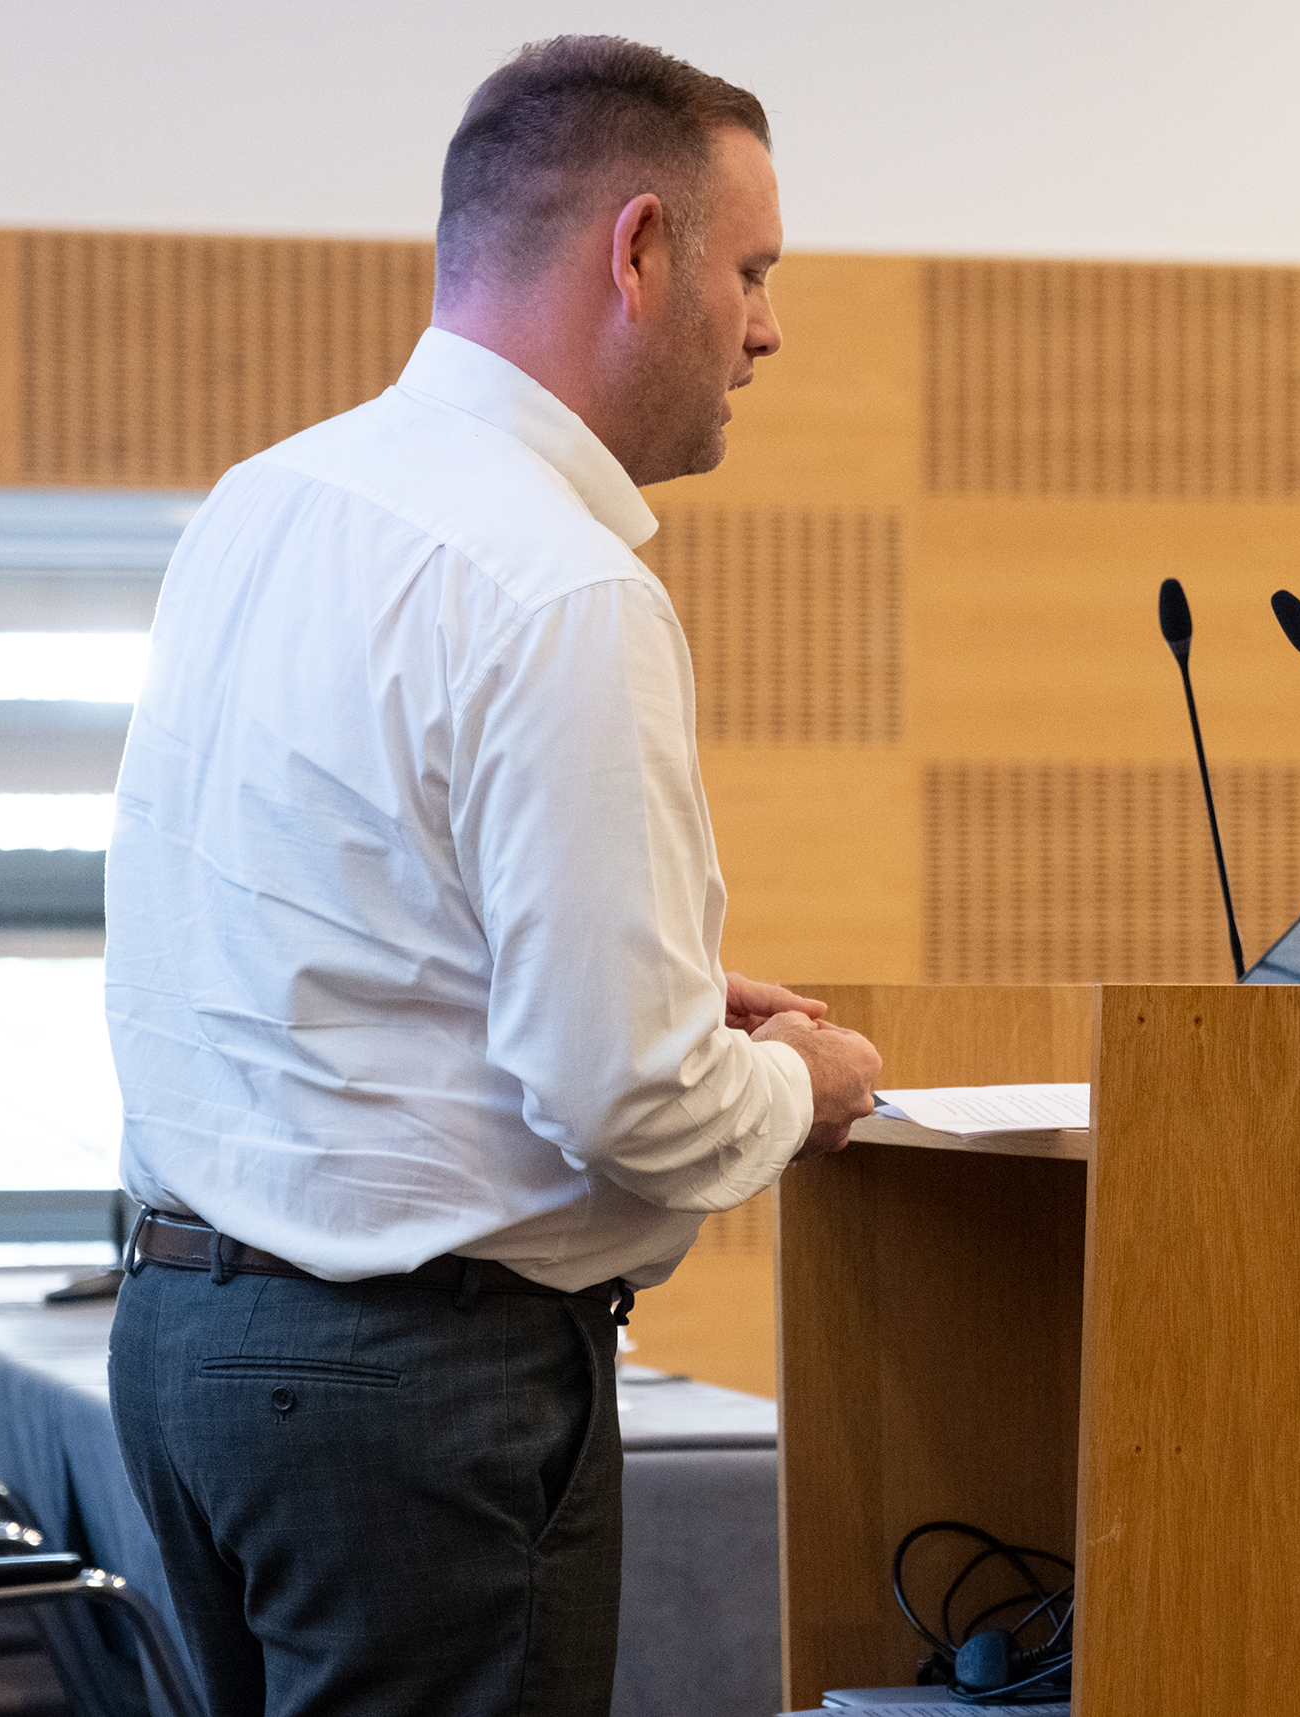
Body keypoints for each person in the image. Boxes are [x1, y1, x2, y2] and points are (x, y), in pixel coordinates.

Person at [103, 38, 882, 1715]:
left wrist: (657, 1002)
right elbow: (627, 1103)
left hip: (188, 1343)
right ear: (639, 248)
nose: (766, 330)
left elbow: (308, 928)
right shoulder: (557, 586)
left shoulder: (263, 502)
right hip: (416, 1390)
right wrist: (796, 1086)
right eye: (753, 273)